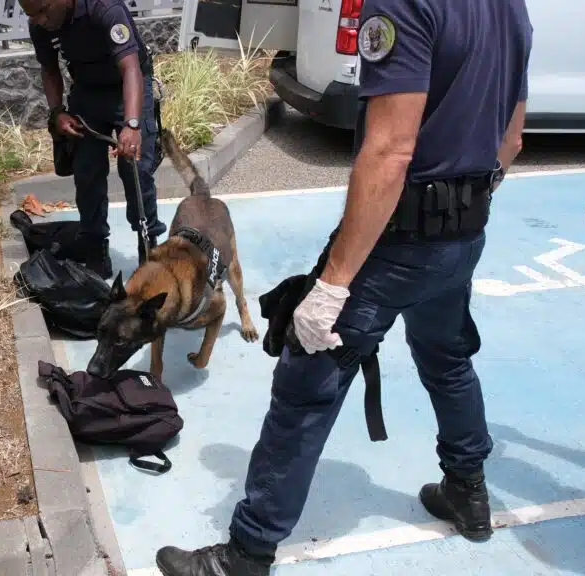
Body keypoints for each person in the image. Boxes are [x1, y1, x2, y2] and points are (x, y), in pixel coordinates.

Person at [153, 0, 533, 573]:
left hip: (397, 242)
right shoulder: (512, 8)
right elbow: (512, 138)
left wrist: (332, 285)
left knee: (308, 377)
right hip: (462, 237)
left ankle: (247, 553)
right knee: (448, 360)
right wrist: (463, 203)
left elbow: (389, 151)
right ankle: (468, 489)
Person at [23, 0, 167, 278]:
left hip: (129, 87)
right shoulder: (40, 25)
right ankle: (95, 248)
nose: (39, 20)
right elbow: (50, 69)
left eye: (43, 11)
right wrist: (57, 113)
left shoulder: (104, 8)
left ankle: (148, 244)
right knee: (86, 170)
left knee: (134, 167)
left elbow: (131, 69)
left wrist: (133, 125)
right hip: (87, 93)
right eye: (32, 15)